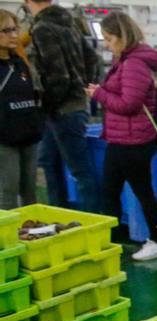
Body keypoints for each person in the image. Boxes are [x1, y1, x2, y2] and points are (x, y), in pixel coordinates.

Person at [85, 12, 157, 261]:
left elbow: (129, 103)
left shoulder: (134, 63)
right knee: (110, 191)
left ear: (123, 36)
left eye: (110, 39)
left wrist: (99, 94)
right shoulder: (124, 60)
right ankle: (111, 243)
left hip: (134, 141)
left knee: (142, 191)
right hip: (120, 139)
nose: (107, 44)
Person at [24, 0, 101, 212]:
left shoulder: (42, 29)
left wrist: (44, 106)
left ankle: (92, 221)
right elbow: (93, 58)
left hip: (60, 109)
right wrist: (85, 88)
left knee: (80, 171)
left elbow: (59, 76)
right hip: (73, 106)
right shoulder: (70, 23)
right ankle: (60, 214)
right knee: (49, 161)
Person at [0, 9, 42, 210]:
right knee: (7, 190)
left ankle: (31, 234)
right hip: (4, 140)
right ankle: (6, 240)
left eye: (15, 29)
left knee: (30, 191)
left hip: (28, 135)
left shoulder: (20, 62)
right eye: (6, 30)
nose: (14, 35)